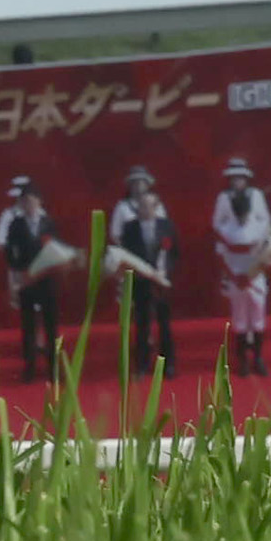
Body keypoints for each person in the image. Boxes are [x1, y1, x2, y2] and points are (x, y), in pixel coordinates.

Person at [0, 173, 73, 387]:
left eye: (32, 200)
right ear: (21, 203)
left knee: (50, 325)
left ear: (39, 201)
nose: (29, 204)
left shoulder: (48, 222)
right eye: (25, 201)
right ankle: (29, 367)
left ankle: (53, 368)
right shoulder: (16, 224)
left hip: (47, 280)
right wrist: (19, 270)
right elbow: (9, 251)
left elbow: (56, 248)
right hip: (27, 280)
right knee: (28, 326)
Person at [210, 155, 271, 380]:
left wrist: (259, 240)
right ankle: (242, 358)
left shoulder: (257, 198)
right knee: (239, 317)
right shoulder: (224, 199)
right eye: (233, 178)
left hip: (255, 272)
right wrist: (234, 272)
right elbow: (217, 224)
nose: (237, 181)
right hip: (235, 273)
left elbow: (266, 221)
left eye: (240, 178)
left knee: (258, 314)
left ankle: (258, 356)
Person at [109, 163, 180, 382]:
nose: (145, 209)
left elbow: (173, 250)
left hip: (161, 281)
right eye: (142, 207)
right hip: (140, 280)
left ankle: (168, 365)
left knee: (164, 324)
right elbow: (122, 248)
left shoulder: (165, 224)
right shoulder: (129, 225)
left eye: (149, 206)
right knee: (141, 324)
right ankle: (141, 365)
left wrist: (165, 271)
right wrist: (135, 270)